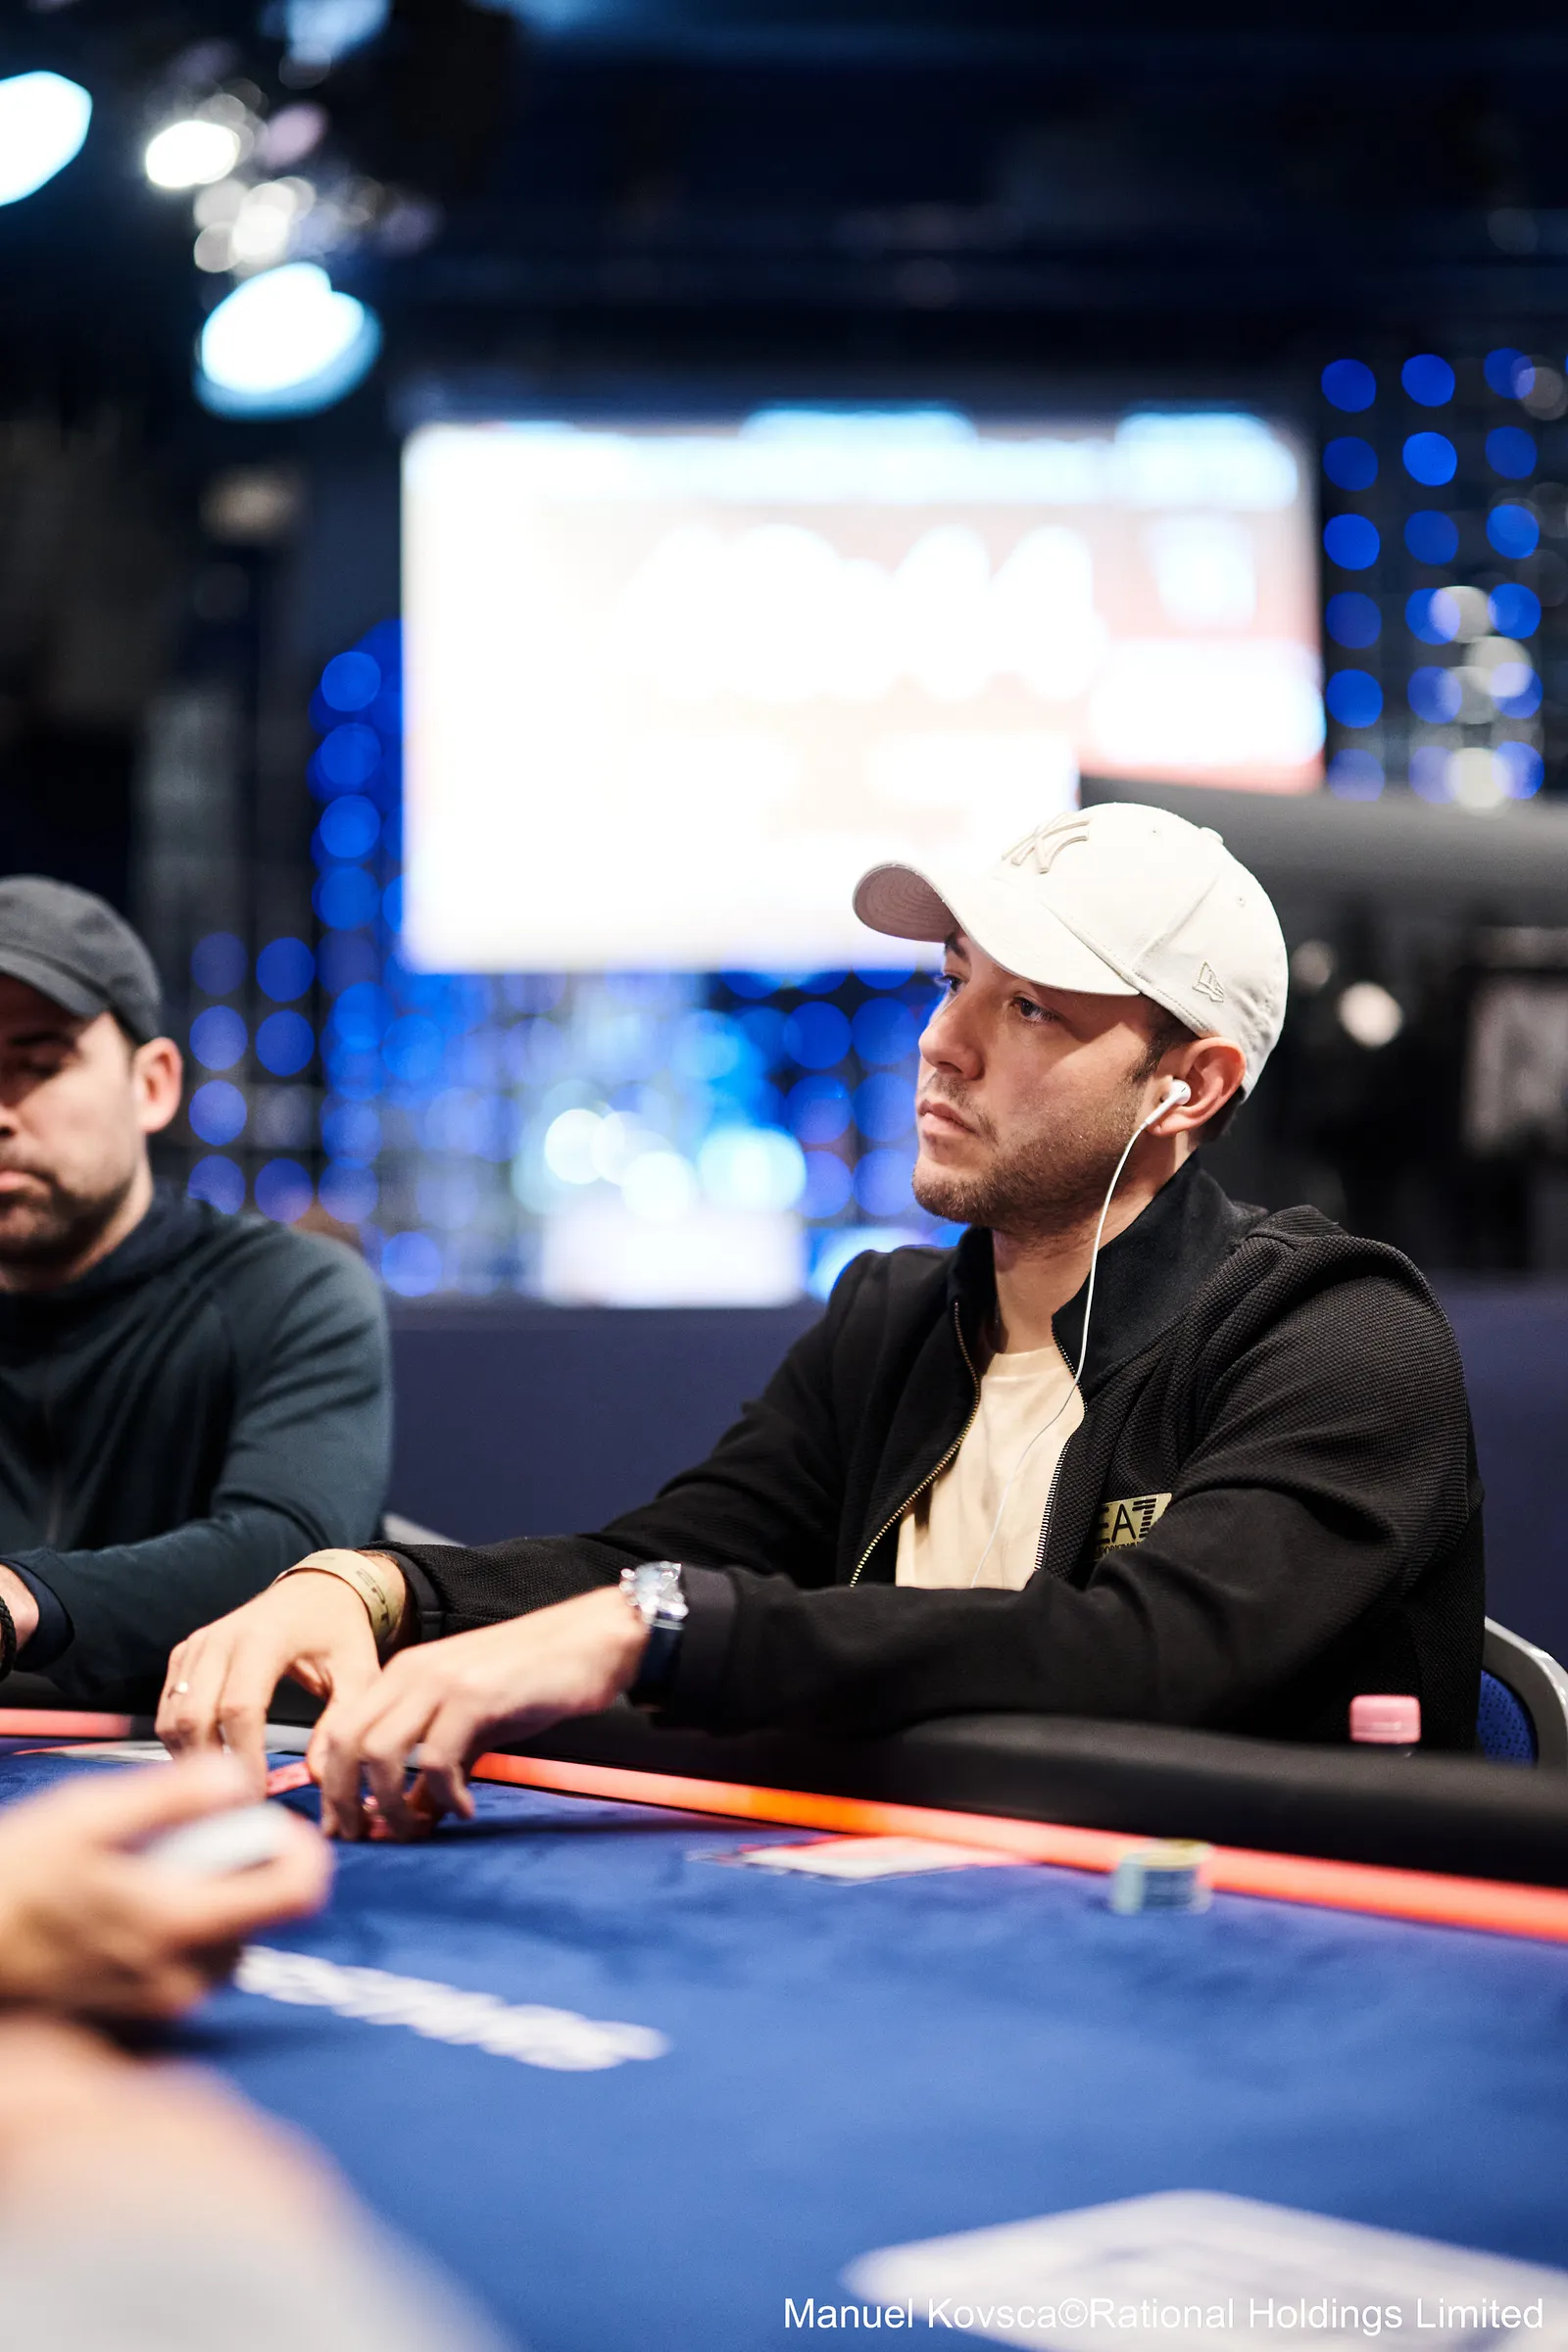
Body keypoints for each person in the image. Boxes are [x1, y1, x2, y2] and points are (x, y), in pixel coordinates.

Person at [160, 805, 1484, 1837]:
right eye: (953, 979)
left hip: (1259, 1964)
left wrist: (658, 1628)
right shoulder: (893, 1319)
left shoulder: (1333, 1331)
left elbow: (1150, 1653)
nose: (943, 1042)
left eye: (1029, 1007)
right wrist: (371, 1587)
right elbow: (663, 1557)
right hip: (932, 1929)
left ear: (1187, 1086)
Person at [0, 876, 391, 1710]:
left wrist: (22, 1596)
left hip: (236, 1766)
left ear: (153, 1084)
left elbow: (291, 1553)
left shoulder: (291, 1291)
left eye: (39, 1064)